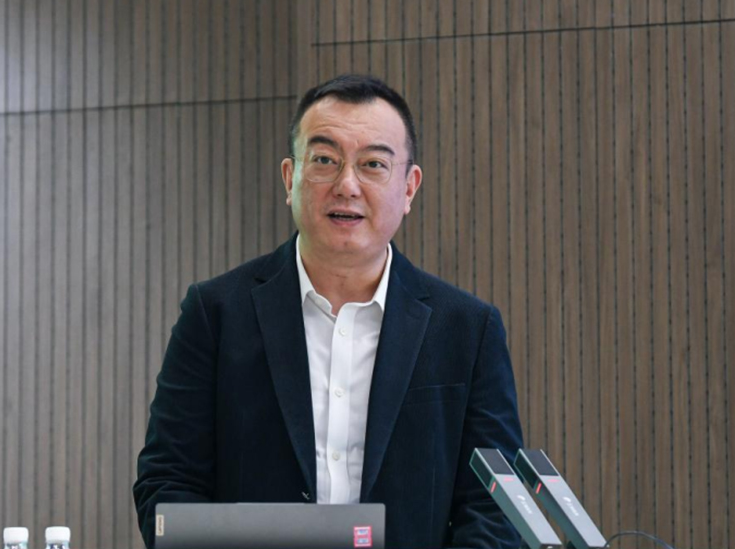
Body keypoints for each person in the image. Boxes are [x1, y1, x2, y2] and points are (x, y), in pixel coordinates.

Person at [133, 74, 524, 549]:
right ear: (289, 178)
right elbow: (168, 482)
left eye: (373, 164)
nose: (347, 185)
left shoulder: (467, 329)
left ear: (409, 188)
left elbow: (495, 506)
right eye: (324, 160)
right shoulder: (215, 314)